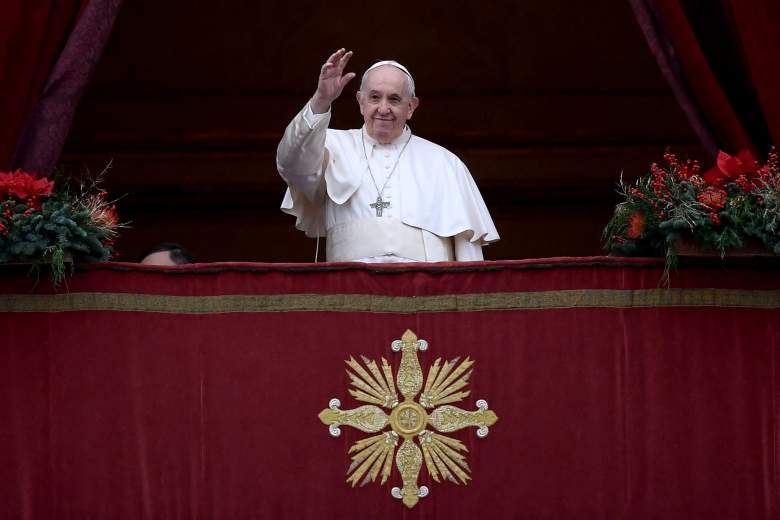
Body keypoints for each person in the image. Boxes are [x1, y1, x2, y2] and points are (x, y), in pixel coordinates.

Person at [276, 48, 499, 262]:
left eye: (394, 99)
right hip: (349, 290)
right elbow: (290, 163)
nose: (384, 108)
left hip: (425, 293)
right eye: (374, 97)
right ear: (360, 102)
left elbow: (468, 251)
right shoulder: (329, 145)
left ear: (411, 107)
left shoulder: (445, 163)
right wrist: (321, 100)